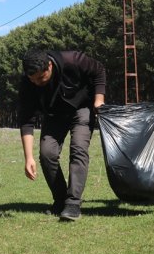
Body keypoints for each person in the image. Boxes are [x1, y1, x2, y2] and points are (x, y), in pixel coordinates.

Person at [17, 49, 106, 221]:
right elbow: (26, 120)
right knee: (46, 154)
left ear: (49, 65)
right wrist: (28, 158)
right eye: (33, 80)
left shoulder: (72, 60)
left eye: (41, 78)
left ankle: (73, 203)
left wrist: (99, 99)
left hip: (81, 108)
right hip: (54, 115)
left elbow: (99, 70)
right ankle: (60, 199)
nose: (37, 83)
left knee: (78, 148)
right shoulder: (27, 83)